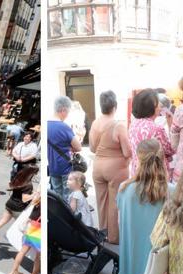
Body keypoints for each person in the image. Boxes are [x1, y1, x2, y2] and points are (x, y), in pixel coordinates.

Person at [89, 139, 169, 274]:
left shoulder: (125, 189)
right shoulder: (170, 190)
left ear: (137, 160)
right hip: (159, 254)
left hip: (132, 253)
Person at [88, 91, 131, 243]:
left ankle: (103, 233)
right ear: (115, 106)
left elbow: (92, 148)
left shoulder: (95, 123)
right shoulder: (119, 125)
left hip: (98, 166)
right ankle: (114, 237)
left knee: (101, 201)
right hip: (116, 169)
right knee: (115, 203)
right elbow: (127, 152)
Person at [128, 89, 174, 178]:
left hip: (137, 173)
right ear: (151, 107)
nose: (160, 105)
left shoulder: (133, 124)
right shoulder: (157, 129)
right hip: (154, 177)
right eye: (157, 103)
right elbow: (170, 150)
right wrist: (170, 126)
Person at [48, 96, 82, 201]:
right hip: (65, 167)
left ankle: (58, 217)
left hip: (52, 167)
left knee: (57, 198)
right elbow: (78, 147)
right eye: (67, 111)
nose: (67, 115)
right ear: (63, 109)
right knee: (68, 197)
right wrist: (69, 147)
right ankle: (67, 217)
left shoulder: (46, 125)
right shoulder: (63, 127)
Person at [0, 166, 38, 232]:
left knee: (1, 222)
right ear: (32, 173)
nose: (36, 175)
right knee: (22, 229)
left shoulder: (18, 179)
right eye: (36, 173)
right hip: (18, 209)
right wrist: (34, 194)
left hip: (9, 204)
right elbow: (24, 199)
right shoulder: (28, 184)